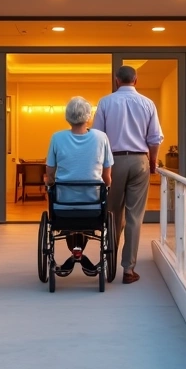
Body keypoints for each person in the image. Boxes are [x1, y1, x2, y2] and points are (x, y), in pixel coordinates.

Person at [91, 65, 163, 284]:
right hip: (140, 160)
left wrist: (99, 166)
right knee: (134, 217)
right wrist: (152, 161)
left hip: (113, 161)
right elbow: (155, 138)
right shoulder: (148, 103)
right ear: (136, 80)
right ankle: (129, 269)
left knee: (112, 213)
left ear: (116, 80)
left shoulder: (105, 102)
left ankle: (109, 262)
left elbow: (98, 137)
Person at [45, 96, 113, 274]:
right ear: (88, 116)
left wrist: (50, 182)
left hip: (63, 208)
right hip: (93, 207)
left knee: (68, 214)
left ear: (67, 116)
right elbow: (107, 178)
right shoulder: (101, 138)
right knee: (89, 210)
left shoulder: (57, 138)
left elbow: (50, 174)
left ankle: (75, 252)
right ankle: (80, 252)